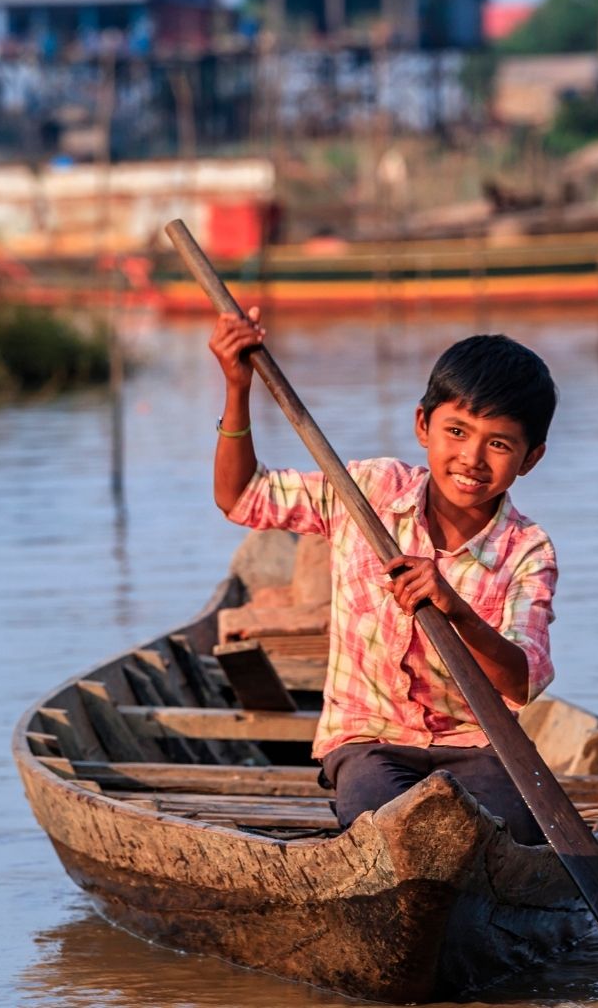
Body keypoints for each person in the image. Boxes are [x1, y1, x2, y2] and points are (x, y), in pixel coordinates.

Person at [209, 308, 557, 844]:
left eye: (499, 444)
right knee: (382, 830)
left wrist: (456, 608)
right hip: (366, 739)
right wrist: (237, 386)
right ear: (424, 426)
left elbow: (522, 681)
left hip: (475, 744)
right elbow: (241, 497)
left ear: (529, 459)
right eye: (457, 431)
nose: (471, 458)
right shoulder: (367, 491)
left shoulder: (526, 551)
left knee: (506, 836)